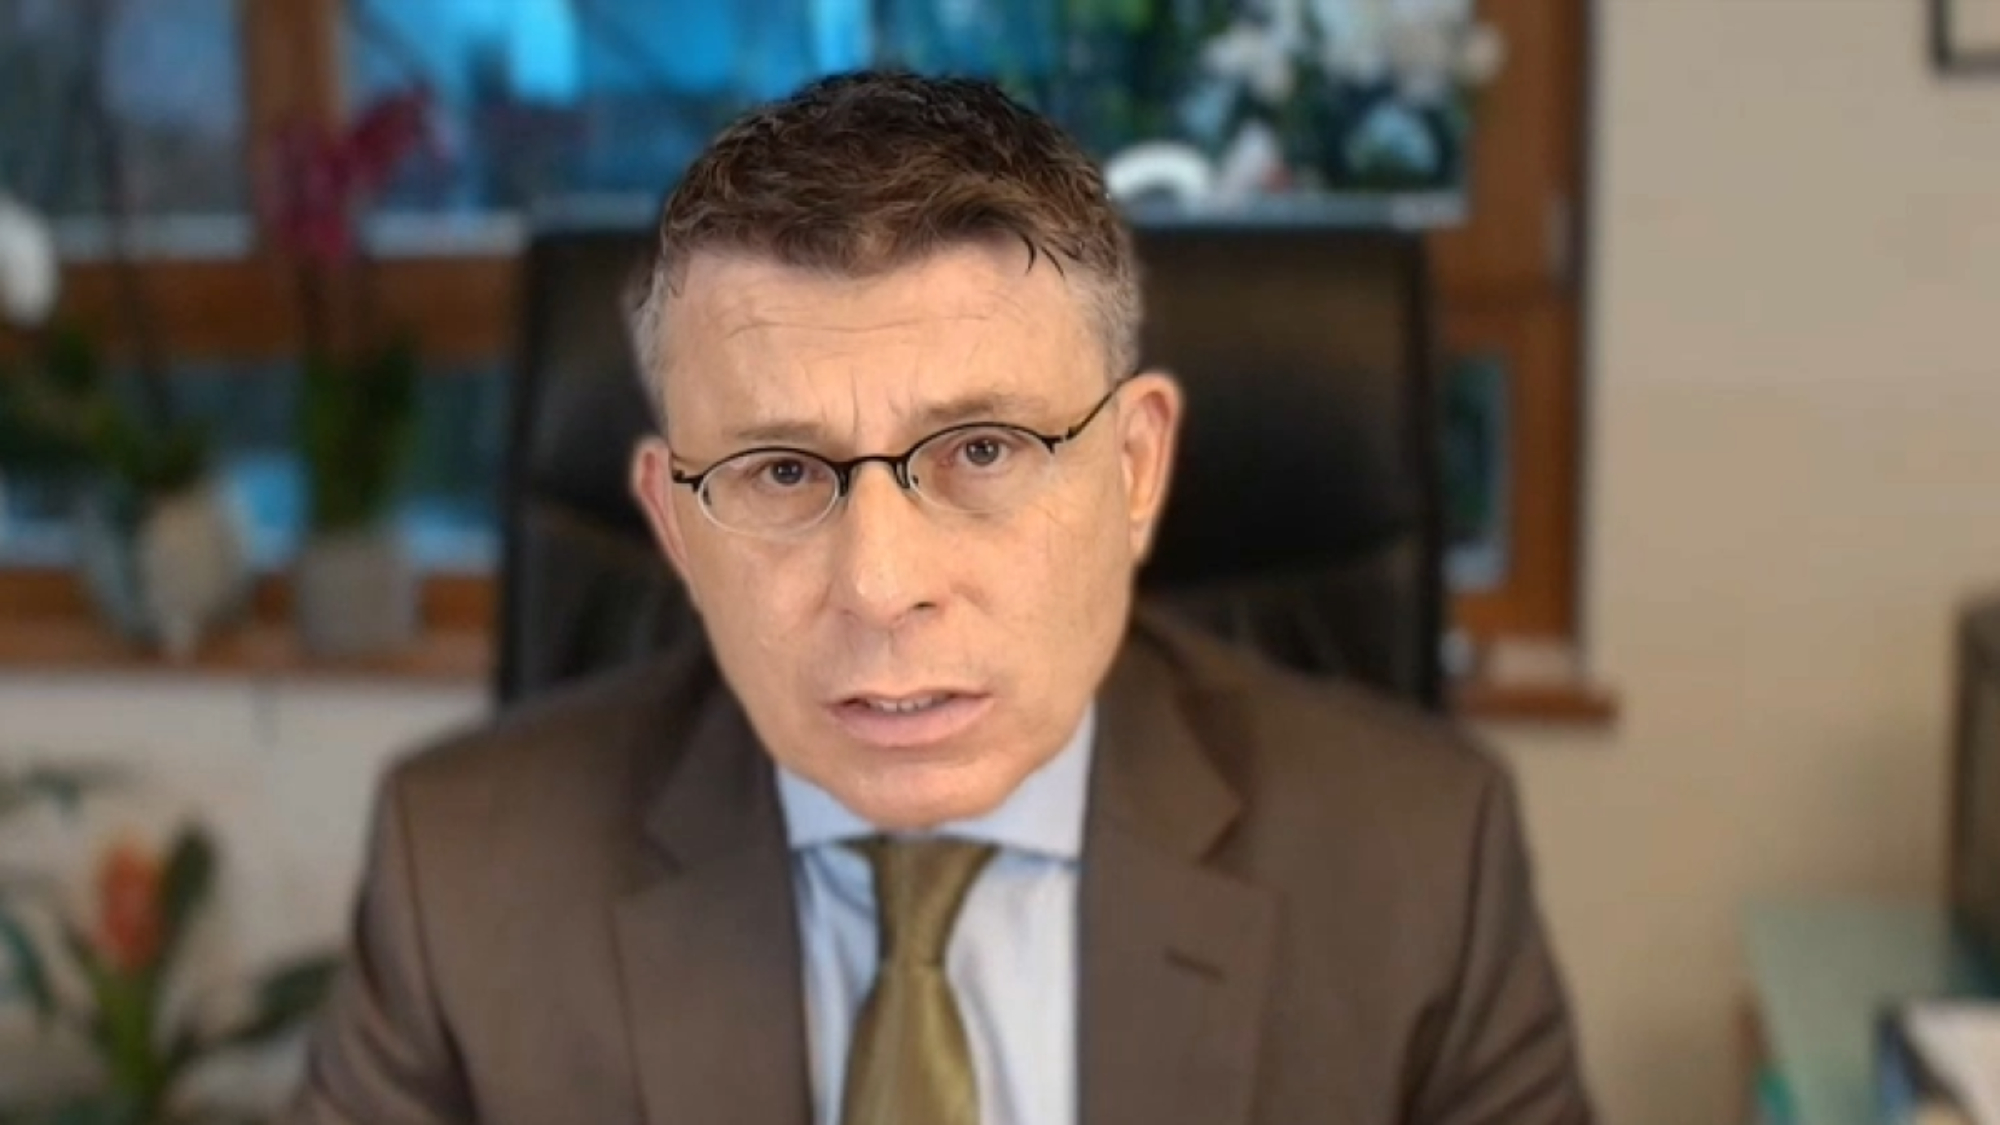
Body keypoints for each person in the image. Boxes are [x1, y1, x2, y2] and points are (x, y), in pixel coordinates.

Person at [289, 70, 1593, 1125]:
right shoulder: (463, 876)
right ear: (672, 523)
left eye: (982, 450)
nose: (882, 585)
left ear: (1135, 468)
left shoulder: (1419, 865)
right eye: (782, 470)